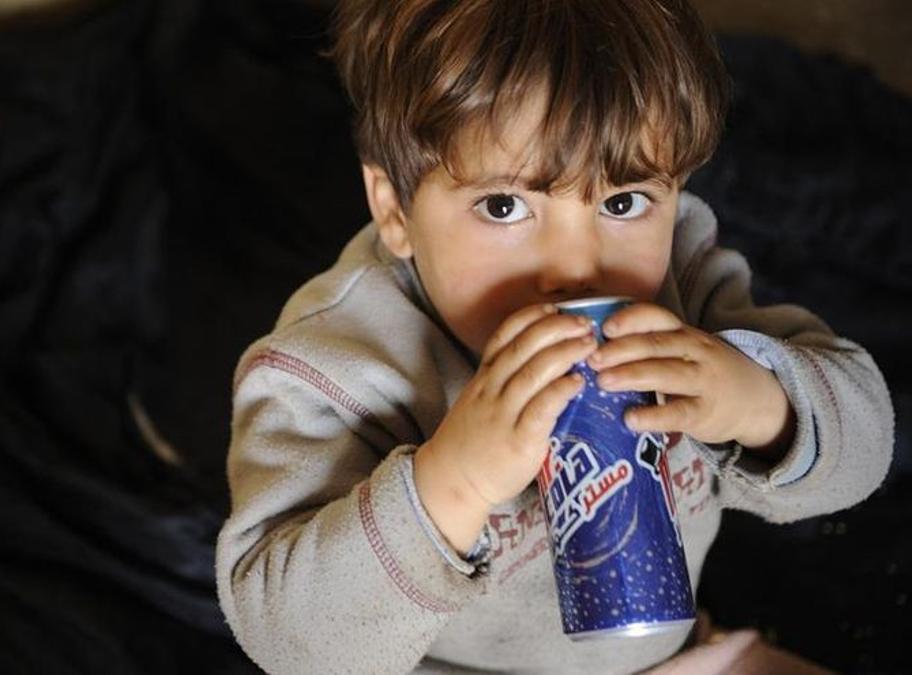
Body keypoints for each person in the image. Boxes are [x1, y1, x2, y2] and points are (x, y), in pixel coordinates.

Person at [214, 0, 894, 672]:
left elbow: (864, 454)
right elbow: (290, 643)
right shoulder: (331, 368)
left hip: (677, 651)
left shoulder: (683, 285)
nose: (575, 269)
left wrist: (759, 404)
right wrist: (454, 479)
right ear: (395, 210)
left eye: (622, 202)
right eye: (504, 206)